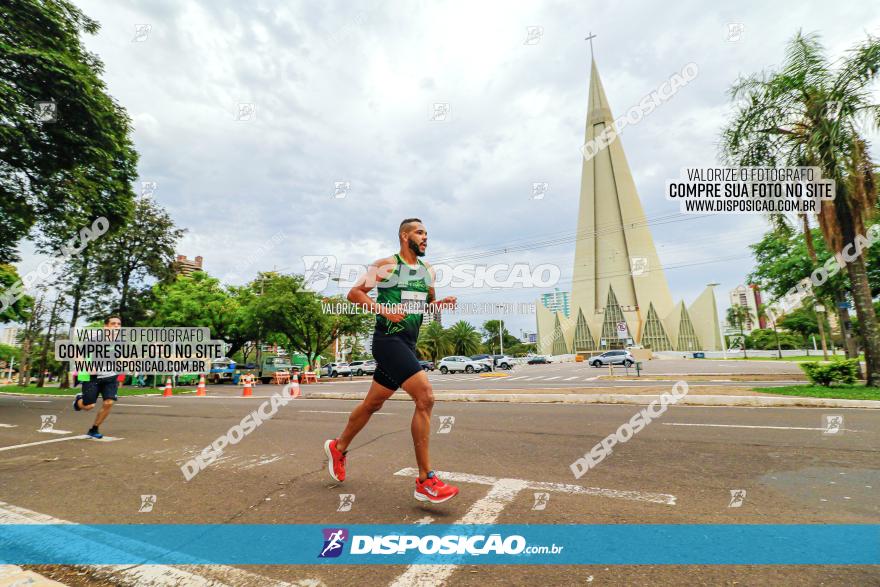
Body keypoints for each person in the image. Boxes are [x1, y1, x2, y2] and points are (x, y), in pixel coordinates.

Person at [324, 218, 460, 503]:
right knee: (425, 397)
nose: (425, 238)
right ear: (404, 235)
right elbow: (354, 293)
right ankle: (425, 480)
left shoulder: (427, 272)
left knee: (373, 403)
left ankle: (339, 447)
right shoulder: (386, 265)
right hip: (388, 341)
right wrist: (383, 310)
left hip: (409, 344)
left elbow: (422, 305)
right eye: (420, 232)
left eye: (427, 234)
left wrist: (439, 305)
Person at [72, 315, 122, 439]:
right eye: (113, 323)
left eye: (118, 324)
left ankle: (94, 429)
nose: (116, 326)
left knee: (109, 402)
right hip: (93, 378)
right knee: (89, 406)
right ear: (106, 326)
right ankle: (78, 401)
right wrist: (86, 367)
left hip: (110, 377)